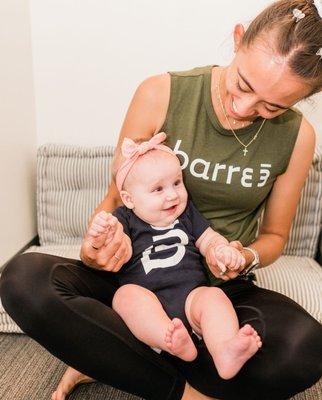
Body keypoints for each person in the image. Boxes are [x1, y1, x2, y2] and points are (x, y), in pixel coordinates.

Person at [1, 0, 322, 399]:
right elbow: (117, 198)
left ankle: (116, 356)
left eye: (273, 107)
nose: (245, 109)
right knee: (23, 279)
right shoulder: (160, 93)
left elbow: (275, 235)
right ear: (238, 40)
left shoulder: (299, 137)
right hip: (133, 277)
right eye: (243, 85)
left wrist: (244, 256)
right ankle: (186, 390)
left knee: (305, 347)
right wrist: (95, 249)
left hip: (215, 292)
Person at [98, 132, 261, 378]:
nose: (172, 195)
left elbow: (208, 239)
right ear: (129, 199)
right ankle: (169, 339)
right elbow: (113, 247)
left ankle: (225, 351)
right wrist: (104, 232)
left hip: (191, 299)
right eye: (158, 189)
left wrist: (222, 250)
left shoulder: (186, 215)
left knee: (213, 297)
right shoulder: (125, 219)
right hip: (148, 302)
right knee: (124, 297)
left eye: (177, 183)